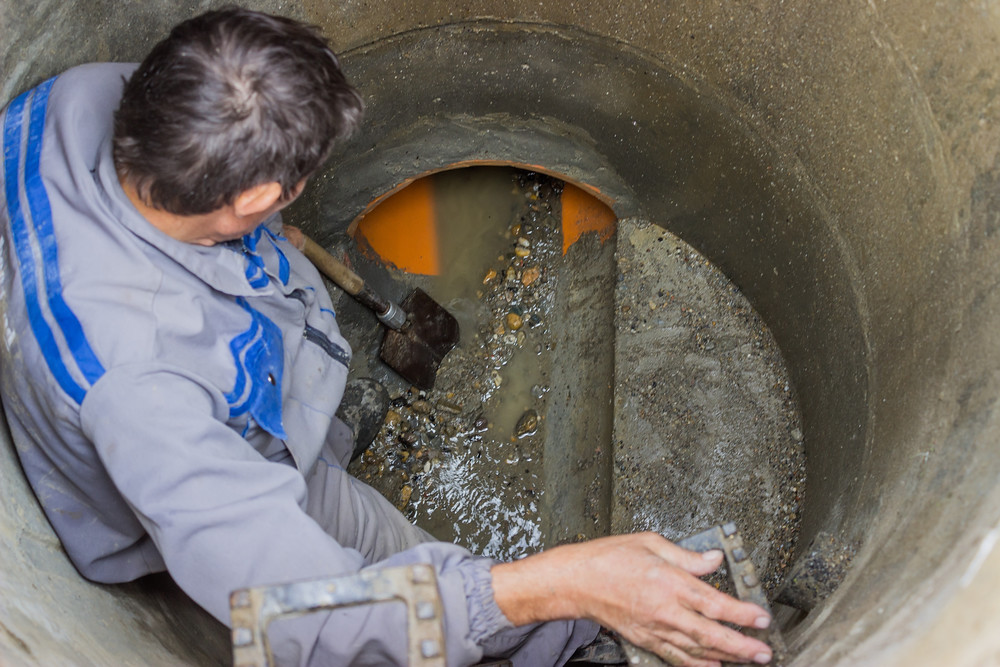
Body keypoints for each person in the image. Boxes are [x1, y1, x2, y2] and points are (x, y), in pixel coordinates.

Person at [0, 7, 774, 667]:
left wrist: (273, 242)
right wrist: (566, 581)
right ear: (256, 196)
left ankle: (335, 425)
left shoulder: (88, 98)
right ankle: (562, 641)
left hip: (237, 360)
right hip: (246, 474)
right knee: (414, 577)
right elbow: (305, 615)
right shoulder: (144, 392)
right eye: (283, 195)